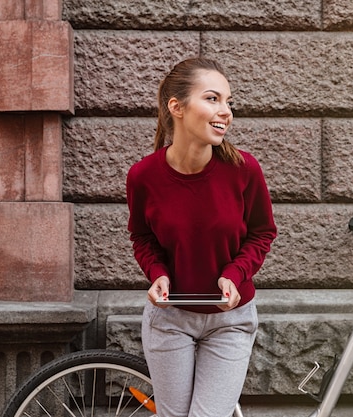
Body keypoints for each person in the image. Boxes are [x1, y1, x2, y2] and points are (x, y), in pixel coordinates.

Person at [126, 57, 277, 417]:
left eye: (228, 101)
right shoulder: (143, 176)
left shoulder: (243, 169)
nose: (225, 111)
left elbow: (262, 232)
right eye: (212, 99)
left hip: (231, 320)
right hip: (169, 319)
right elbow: (142, 237)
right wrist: (157, 274)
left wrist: (234, 274)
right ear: (176, 107)